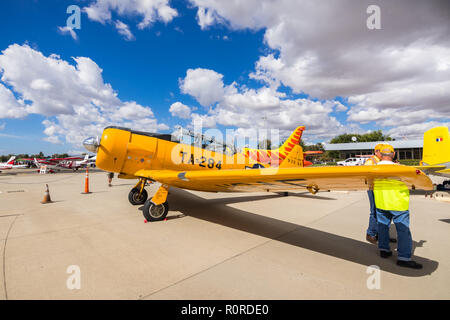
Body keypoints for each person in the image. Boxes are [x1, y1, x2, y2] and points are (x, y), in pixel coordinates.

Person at [373, 144, 422, 269]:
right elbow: (413, 182)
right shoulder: (400, 168)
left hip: (381, 202)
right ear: (393, 154)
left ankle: (384, 250)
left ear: (380, 154)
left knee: (383, 227)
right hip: (398, 203)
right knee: (403, 230)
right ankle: (404, 258)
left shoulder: (373, 169)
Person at [365, 145, 397, 245]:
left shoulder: (382, 161)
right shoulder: (371, 161)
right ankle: (371, 234)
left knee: (383, 212)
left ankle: (382, 235)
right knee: (374, 211)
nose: (383, 153)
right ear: (376, 152)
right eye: (381, 151)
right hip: (373, 189)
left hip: (381, 189)